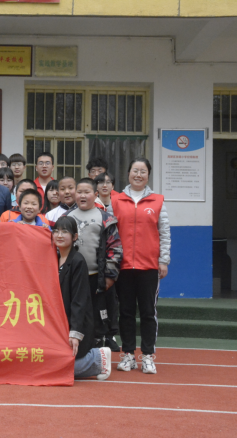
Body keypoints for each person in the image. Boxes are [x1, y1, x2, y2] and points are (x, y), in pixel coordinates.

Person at [111, 158, 171, 375]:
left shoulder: (158, 201)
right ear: (128, 173)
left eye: (142, 171)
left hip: (149, 267)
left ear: (148, 175)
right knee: (125, 312)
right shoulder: (116, 200)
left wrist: (163, 260)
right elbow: (110, 233)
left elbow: (164, 233)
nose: (138, 175)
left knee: (148, 312)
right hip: (123, 266)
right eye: (135, 170)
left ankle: (147, 356)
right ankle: (128, 354)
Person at [64, 178, 123, 352]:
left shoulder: (105, 218)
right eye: (79, 192)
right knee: (74, 312)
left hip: (96, 278)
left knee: (97, 316)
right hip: (72, 278)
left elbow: (115, 248)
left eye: (87, 192)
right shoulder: (66, 218)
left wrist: (110, 276)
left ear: (96, 195)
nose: (82, 195)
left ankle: (97, 348)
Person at [53, 216, 112, 381]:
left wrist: (75, 333)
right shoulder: (53, 259)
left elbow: (80, 300)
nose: (59, 235)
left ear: (75, 237)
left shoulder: (78, 261)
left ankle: (97, 358)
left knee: (58, 369)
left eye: (65, 232)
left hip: (75, 323)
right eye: (56, 231)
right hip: (58, 324)